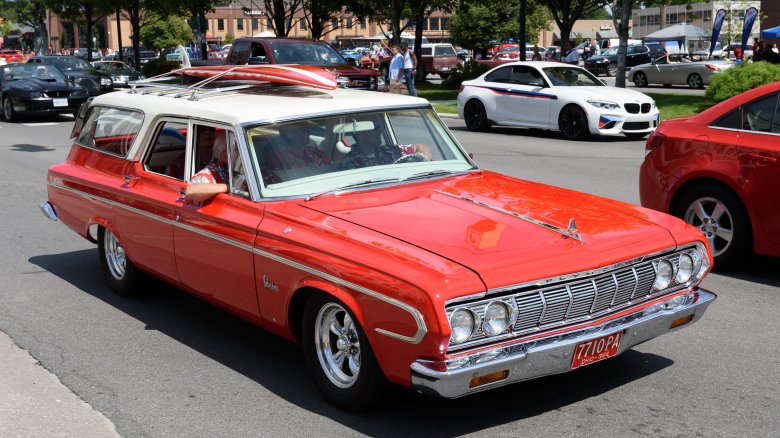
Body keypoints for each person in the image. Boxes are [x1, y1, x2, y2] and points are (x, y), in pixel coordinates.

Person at [340, 121, 433, 170]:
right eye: (374, 128)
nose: (379, 131)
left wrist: (420, 158)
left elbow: (420, 147)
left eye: (379, 127)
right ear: (359, 135)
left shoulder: (390, 150)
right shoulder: (351, 161)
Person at [185, 131, 230, 202]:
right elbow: (191, 191)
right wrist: (229, 187)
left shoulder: (238, 170)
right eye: (237, 150)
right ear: (224, 155)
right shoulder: (213, 172)